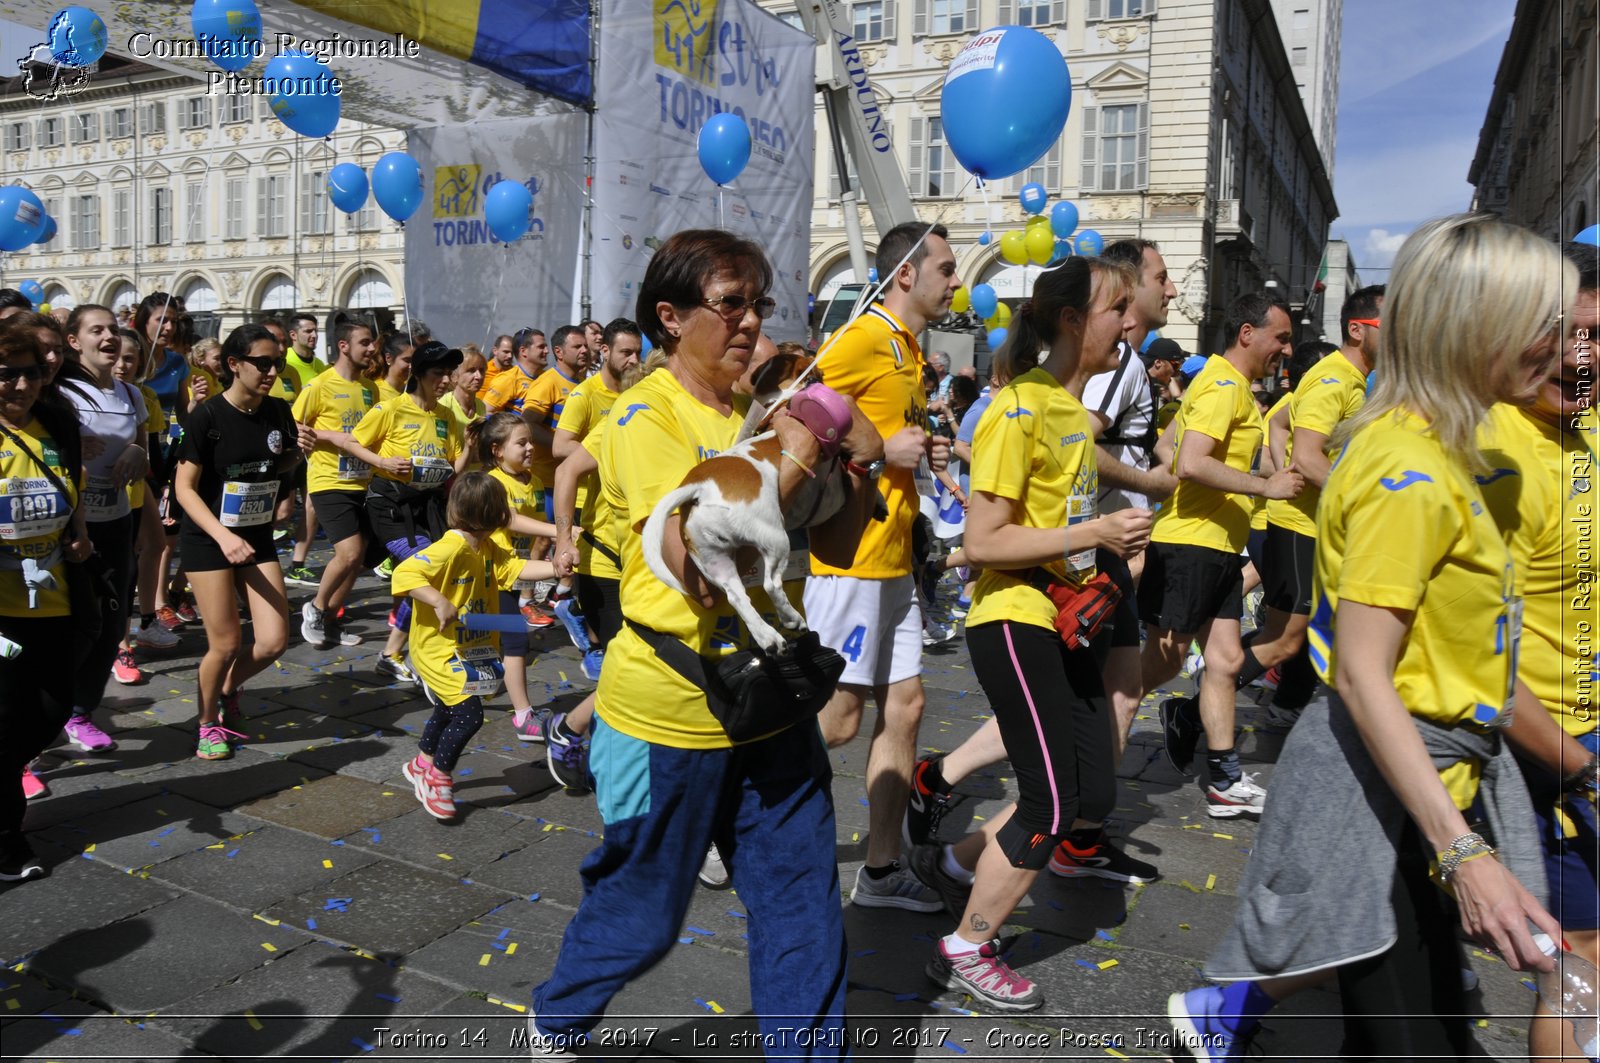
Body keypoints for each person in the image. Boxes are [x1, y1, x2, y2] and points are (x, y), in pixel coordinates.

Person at [1172, 213, 1570, 1059]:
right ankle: (1223, 1011)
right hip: (1379, 797)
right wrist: (1463, 850)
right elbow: (1362, 674)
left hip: (1427, 789)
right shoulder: (1410, 468)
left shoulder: (1472, 448)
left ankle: (1225, 1010)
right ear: (1476, 324)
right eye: (1545, 321)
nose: (1563, 344)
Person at [531, 229, 877, 1057]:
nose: (751, 324)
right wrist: (797, 445)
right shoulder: (643, 418)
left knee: (803, 907)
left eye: (759, 304)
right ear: (671, 318)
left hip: (770, 702)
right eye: (731, 305)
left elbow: (841, 537)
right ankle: (559, 1020)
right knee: (643, 917)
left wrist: (849, 445)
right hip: (669, 717)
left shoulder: (764, 406)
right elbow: (692, 564)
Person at [905, 256, 1154, 1011]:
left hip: (1064, 624)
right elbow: (983, 540)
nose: (1131, 322)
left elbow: (1058, 530)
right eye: (1118, 309)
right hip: (1013, 623)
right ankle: (966, 947)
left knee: (1092, 793)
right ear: (1075, 320)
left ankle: (954, 867)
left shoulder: (1073, 414)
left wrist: (1104, 558)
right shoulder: (1020, 409)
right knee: (1050, 804)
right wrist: (1097, 528)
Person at [805, 221, 955, 914]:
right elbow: (798, 414)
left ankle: (883, 867)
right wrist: (877, 451)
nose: (956, 281)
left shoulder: (907, 346)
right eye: (946, 268)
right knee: (836, 721)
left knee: (909, 704)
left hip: (893, 557)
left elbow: (890, 431)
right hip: (850, 556)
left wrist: (923, 452)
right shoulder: (862, 335)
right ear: (905, 275)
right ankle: (726, 811)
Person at [1479, 239, 1599, 1061]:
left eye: (1599, 337)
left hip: (1585, 735)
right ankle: (1239, 998)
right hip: (1530, 748)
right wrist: (1578, 764)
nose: (1585, 356)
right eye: (1568, 334)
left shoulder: (1586, 433)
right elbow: (1472, 651)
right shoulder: (1489, 449)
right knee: (1577, 962)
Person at [1140, 293, 1303, 818]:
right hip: (1191, 546)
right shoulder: (1224, 385)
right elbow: (1188, 461)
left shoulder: (1217, 383)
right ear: (1247, 334)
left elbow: (1166, 448)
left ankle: (1225, 779)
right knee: (1153, 669)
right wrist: (1264, 486)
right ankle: (1082, 731)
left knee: (1228, 661)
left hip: (1218, 547)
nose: (1286, 348)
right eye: (1280, 337)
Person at [172, 324, 306, 761]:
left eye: (278, 364)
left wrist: (297, 453)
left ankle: (229, 687)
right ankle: (207, 721)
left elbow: (278, 460)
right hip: (209, 540)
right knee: (226, 643)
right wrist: (222, 536)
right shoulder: (207, 416)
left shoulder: (278, 411)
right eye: (262, 363)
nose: (271, 372)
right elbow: (185, 489)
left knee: (272, 640)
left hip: (256, 535)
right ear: (234, 364)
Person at [396, 471, 559, 821]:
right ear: (494, 514)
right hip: (438, 651)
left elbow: (512, 567)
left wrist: (553, 568)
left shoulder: (487, 547)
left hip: (468, 648)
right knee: (469, 715)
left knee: (447, 709)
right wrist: (438, 601)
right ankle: (438, 778)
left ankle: (421, 763)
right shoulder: (449, 548)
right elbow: (405, 574)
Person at [0, 327, 92, 880]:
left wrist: (79, 533)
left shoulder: (56, 423)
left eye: (32, 372)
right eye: (7, 373)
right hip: (1, 612)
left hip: (55, 600)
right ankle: (6, 839)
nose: (21, 384)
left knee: (54, 710)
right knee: (6, 719)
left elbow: (69, 486)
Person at [59, 304, 152, 753]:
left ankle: (81, 712)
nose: (109, 337)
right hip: (65, 528)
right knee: (66, 623)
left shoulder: (130, 396)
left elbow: (146, 453)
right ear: (74, 341)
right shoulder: (57, 393)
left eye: (113, 329)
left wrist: (137, 450)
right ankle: (44, 712)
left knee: (111, 621)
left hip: (116, 520)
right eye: (97, 330)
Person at [350, 341, 469, 684]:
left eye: (449, 373)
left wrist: (470, 449)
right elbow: (353, 442)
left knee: (428, 578)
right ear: (417, 374)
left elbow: (452, 467)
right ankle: (428, 656)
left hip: (428, 507)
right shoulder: (391, 409)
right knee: (426, 574)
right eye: (438, 373)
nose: (446, 380)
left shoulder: (446, 416)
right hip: (389, 504)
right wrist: (383, 461)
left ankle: (391, 654)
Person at [550, 317, 643, 680]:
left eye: (638, 353)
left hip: (629, 535)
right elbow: (561, 450)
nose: (633, 360)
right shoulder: (585, 395)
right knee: (624, 665)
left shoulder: (634, 396)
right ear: (604, 350)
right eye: (625, 352)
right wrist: (612, 452)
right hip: (588, 508)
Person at [294, 316, 380, 650]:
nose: (372, 348)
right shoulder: (319, 386)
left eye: (372, 342)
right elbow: (295, 427)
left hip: (364, 482)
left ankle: (330, 619)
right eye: (364, 342)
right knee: (349, 552)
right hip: (329, 480)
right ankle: (314, 608)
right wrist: (336, 438)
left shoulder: (370, 389)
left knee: (357, 560)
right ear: (343, 346)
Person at [480, 413, 562, 741]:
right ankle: (524, 717)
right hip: (491, 574)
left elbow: (535, 538)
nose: (530, 448)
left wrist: (555, 543)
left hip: (514, 574)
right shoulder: (493, 483)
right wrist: (561, 530)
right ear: (497, 450)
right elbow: (512, 521)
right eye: (522, 443)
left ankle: (452, 666)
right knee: (515, 643)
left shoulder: (535, 482)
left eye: (531, 441)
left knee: (495, 639)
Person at [111, 329, 182, 678]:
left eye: (130, 358)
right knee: (125, 568)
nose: (122, 365)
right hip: (111, 496)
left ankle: (148, 619)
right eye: (117, 357)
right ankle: (121, 647)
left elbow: (156, 451)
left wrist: (163, 484)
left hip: (142, 488)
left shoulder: (147, 396)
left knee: (154, 546)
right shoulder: (96, 396)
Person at [482, 327, 548, 415]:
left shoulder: (548, 377)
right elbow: (484, 413)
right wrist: (512, 427)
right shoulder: (507, 379)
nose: (547, 351)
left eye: (546, 346)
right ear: (523, 351)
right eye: (541, 347)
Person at [439, 344, 487, 441]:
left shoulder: (481, 406)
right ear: (454, 376)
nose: (479, 376)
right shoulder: (444, 406)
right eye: (471, 370)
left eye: (481, 370)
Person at [285, 311, 326, 382]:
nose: (314, 335)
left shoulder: (320, 365)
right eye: (308, 331)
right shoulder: (284, 361)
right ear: (293, 335)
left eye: (316, 331)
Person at [478, 333, 515, 400]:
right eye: (506, 352)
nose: (510, 356)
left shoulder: (514, 373)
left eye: (512, 353)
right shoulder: (482, 370)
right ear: (495, 351)